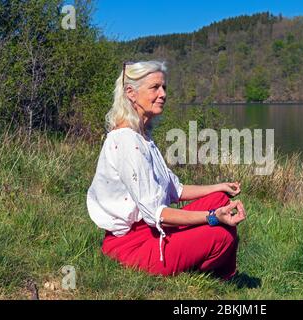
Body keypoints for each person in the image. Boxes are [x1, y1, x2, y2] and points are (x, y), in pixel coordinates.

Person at [87, 61, 247, 280]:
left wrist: (218, 187)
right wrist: (212, 218)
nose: (163, 94)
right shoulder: (126, 141)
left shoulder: (142, 137)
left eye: (164, 88)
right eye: (155, 88)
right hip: (131, 245)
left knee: (219, 198)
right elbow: (157, 215)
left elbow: (175, 190)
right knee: (221, 236)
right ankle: (217, 276)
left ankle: (204, 263)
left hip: (151, 230)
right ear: (131, 93)